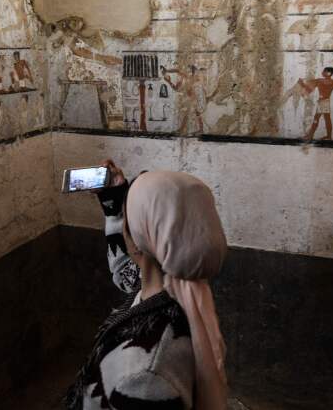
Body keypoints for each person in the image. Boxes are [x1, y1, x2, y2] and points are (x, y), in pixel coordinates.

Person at [65, 161, 229, 410]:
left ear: (139, 238)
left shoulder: (144, 377)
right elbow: (127, 276)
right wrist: (114, 200)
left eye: (128, 220)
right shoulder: (184, 295)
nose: (124, 228)